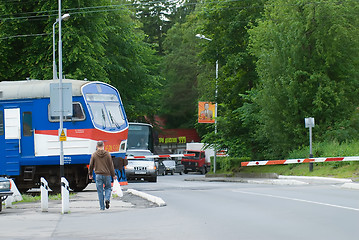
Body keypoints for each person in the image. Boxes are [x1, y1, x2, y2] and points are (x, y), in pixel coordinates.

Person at [88, 141, 117, 210]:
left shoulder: (94, 155)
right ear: (103, 146)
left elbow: (91, 165)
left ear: (97, 146)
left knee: (100, 191)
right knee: (108, 188)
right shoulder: (107, 154)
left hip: (98, 175)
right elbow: (111, 166)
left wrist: (90, 174)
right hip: (107, 175)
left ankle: (102, 207)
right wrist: (113, 175)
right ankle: (107, 199)